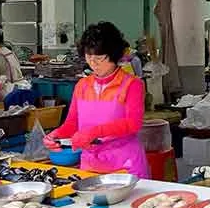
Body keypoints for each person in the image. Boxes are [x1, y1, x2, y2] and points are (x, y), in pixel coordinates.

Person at [45, 22, 149, 177]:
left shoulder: (132, 84)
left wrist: (94, 132)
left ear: (114, 55)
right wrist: (57, 135)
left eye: (99, 57)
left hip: (125, 165)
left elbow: (133, 123)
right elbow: (72, 123)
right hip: (91, 166)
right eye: (89, 56)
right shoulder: (82, 85)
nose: (93, 62)